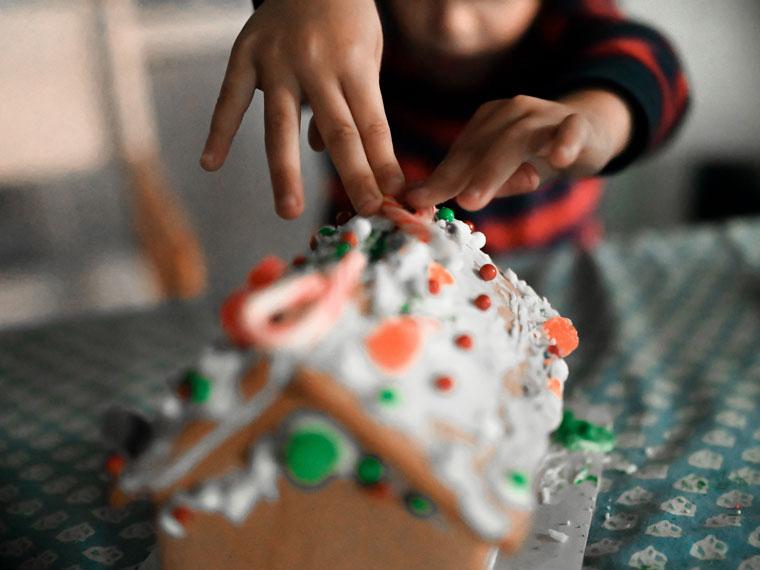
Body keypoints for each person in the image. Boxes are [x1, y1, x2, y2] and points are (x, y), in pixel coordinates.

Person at [200, 0, 689, 254]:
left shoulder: (568, 23)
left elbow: (651, 64)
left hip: (551, 270)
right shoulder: (359, 29)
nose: (452, 22)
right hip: (375, 269)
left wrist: (600, 119)